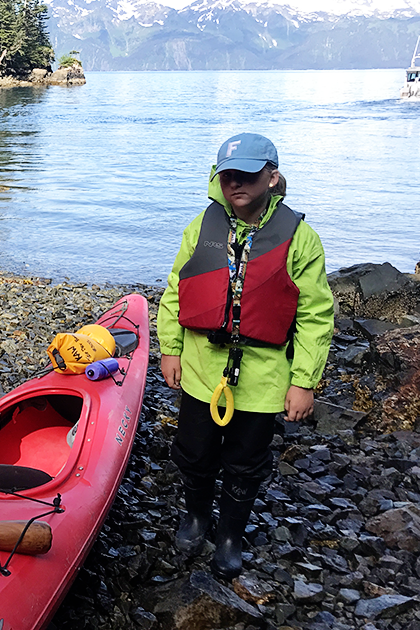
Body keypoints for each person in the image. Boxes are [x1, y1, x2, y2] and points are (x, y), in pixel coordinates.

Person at [156, 132, 333, 581]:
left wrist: (303, 381)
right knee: (193, 453)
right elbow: (177, 290)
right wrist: (170, 348)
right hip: (201, 368)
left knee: (246, 461)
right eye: (229, 175)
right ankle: (196, 516)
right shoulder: (201, 227)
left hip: (263, 377)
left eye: (249, 175)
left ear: (272, 177)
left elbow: (315, 316)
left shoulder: (301, 238)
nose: (237, 184)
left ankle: (231, 535)